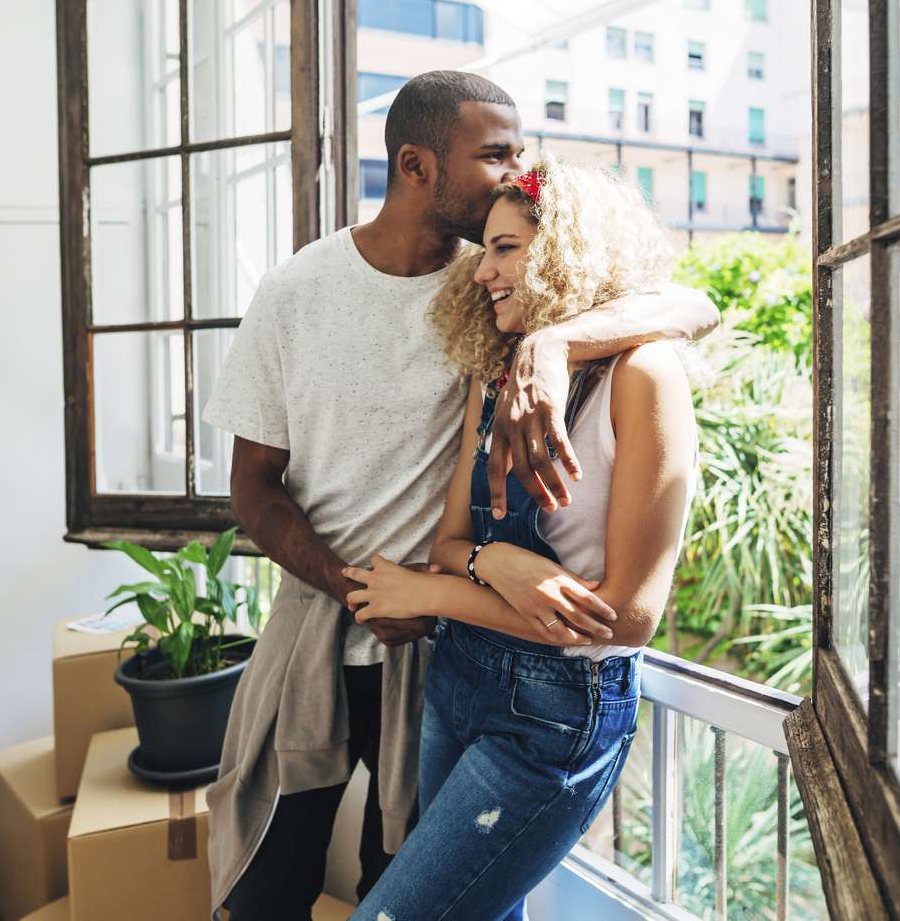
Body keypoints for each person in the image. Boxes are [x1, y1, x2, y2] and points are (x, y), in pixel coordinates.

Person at [200, 71, 718, 921]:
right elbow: (251, 486)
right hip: (331, 624)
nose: (519, 167)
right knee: (263, 881)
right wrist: (354, 587)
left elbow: (692, 305)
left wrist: (554, 343)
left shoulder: (506, 286)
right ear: (416, 165)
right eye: (497, 153)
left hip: (448, 646)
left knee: (397, 880)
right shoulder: (302, 293)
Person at [342, 156, 699, 920]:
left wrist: (434, 593)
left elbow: (625, 619)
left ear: (567, 250)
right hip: (459, 677)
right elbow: (449, 542)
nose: (483, 273)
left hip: (556, 715)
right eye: (485, 250)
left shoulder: (645, 377)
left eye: (506, 248)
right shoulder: (497, 372)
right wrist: (489, 561)